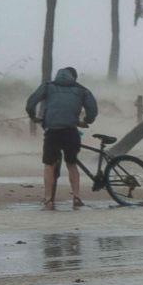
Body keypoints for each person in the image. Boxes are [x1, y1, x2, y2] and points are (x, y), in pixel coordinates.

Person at [25, 67, 98, 210]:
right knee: (71, 164)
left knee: (49, 165)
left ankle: (48, 200)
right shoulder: (82, 90)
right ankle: (76, 197)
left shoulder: (48, 86)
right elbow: (93, 109)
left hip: (52, 131)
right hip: (70, 131)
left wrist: (32, 116)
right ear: (74, 77)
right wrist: (87, 121)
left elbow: (31, 102)